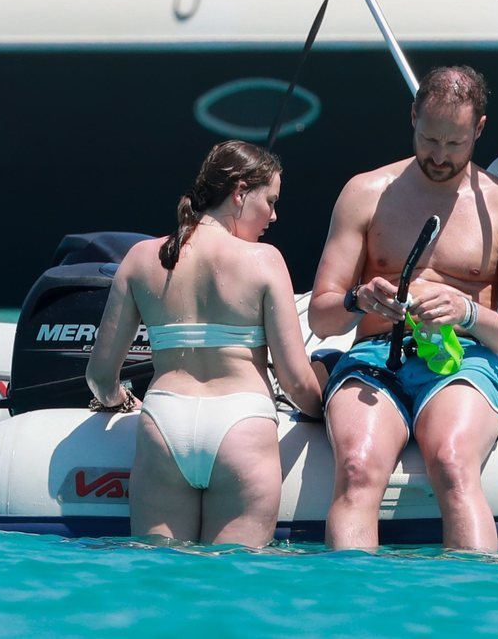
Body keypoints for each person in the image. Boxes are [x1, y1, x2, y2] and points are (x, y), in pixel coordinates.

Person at [308, 66, 498, 552]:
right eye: (429, 138)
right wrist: (360, 299)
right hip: (376, 357)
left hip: (464, 360)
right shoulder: (366, 193)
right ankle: (353, 614)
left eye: (454, 143)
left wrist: (467, 311)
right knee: (356, 467)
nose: (439, 156)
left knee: (454, 463)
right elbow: (322, 314)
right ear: (412, 117)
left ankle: (472, 611)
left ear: (478, 128)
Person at [86, 140, 323, 547]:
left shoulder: (142, 258)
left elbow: (100, 376)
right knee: (232, 589)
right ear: (240, 191)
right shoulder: (265, 261)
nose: (274, 215)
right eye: (270, 200)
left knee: (159, 585)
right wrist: (326, 414)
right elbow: (296, 381)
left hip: (163, 422)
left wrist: (119, 401)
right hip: (242, 425)